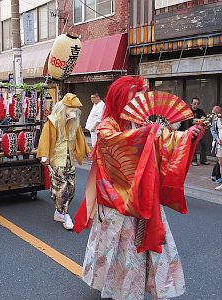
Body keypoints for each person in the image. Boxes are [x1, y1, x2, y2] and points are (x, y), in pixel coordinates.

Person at [74, 76, 203, 300]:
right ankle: (117, 288)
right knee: (121, 248)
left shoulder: (139, 124)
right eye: (134, 97)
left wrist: (184, 137)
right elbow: (116, 143)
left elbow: (162, 141)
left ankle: (141, 288)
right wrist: (147, 134)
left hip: (143, 194)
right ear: (120, 99)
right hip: (118, 201)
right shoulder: (108, 125)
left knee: (137, 247)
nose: (138, 101)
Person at [37, 93, 91, 230]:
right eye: (71, 109)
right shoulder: (53, 121)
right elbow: (45, 138)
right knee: (59, 189)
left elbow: (80, 139)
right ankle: (65, 214)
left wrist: (86, 151)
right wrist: (44, 155)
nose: (73, 113)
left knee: (71, 188)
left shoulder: (75, 123)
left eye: (75, 110)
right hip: (57, 160)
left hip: (69, 160)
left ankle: (59, 212)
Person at [189, 97, 208, 166]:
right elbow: (189, 121)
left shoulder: (201, 111)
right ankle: (193, 160)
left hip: (200, 131)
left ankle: (203, 160)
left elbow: (205, 119)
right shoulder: (188, 111)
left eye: (197, 103)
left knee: (204, 145)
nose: (196, 105)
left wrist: (197, 121)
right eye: (194, 103)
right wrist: (199, 120)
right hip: (192, 131)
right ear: (191, 103)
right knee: (194, 146)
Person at [210, 106, 222, 190]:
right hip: (219, 143)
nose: (214, 115)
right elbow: (213, 130)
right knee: (221, 163)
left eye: (215, 113)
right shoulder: (214, 119)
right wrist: (217, 139)